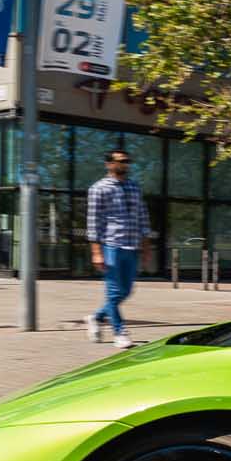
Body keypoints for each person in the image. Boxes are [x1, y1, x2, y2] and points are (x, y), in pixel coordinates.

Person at [84, 149, 152, 350]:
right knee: (114, 292)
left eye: (127, 161)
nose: (125, 165)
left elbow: (142, 216)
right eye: (121, 161)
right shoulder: (99, 188)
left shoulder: (134, 187)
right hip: (110, 245)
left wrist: (146, 245)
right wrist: (96, 252)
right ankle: (120, 332)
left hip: (131, 246)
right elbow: (93, 222)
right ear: (109, 164)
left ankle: (96, 317)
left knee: (127, 291)